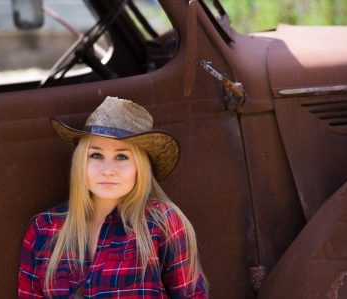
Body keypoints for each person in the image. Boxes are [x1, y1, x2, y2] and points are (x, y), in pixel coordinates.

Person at [18, 96, 207, 298]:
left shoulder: (162, 222)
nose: (108, 171)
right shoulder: (43, 229)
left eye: (122, 157)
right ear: (81, 162)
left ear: (140, 168)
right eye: (96, 155)